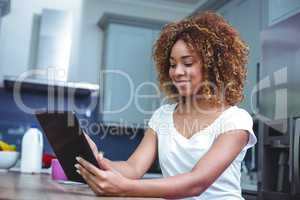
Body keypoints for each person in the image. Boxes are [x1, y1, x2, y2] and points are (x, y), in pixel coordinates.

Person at [75, 11, 257, 200]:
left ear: (212, 66)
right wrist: (96, 159)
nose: (177, 72)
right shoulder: (163, 116)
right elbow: (133, 168)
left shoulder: (235, 120)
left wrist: (125, 188)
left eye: (187, 63)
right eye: (172, 64)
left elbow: (196, 182)